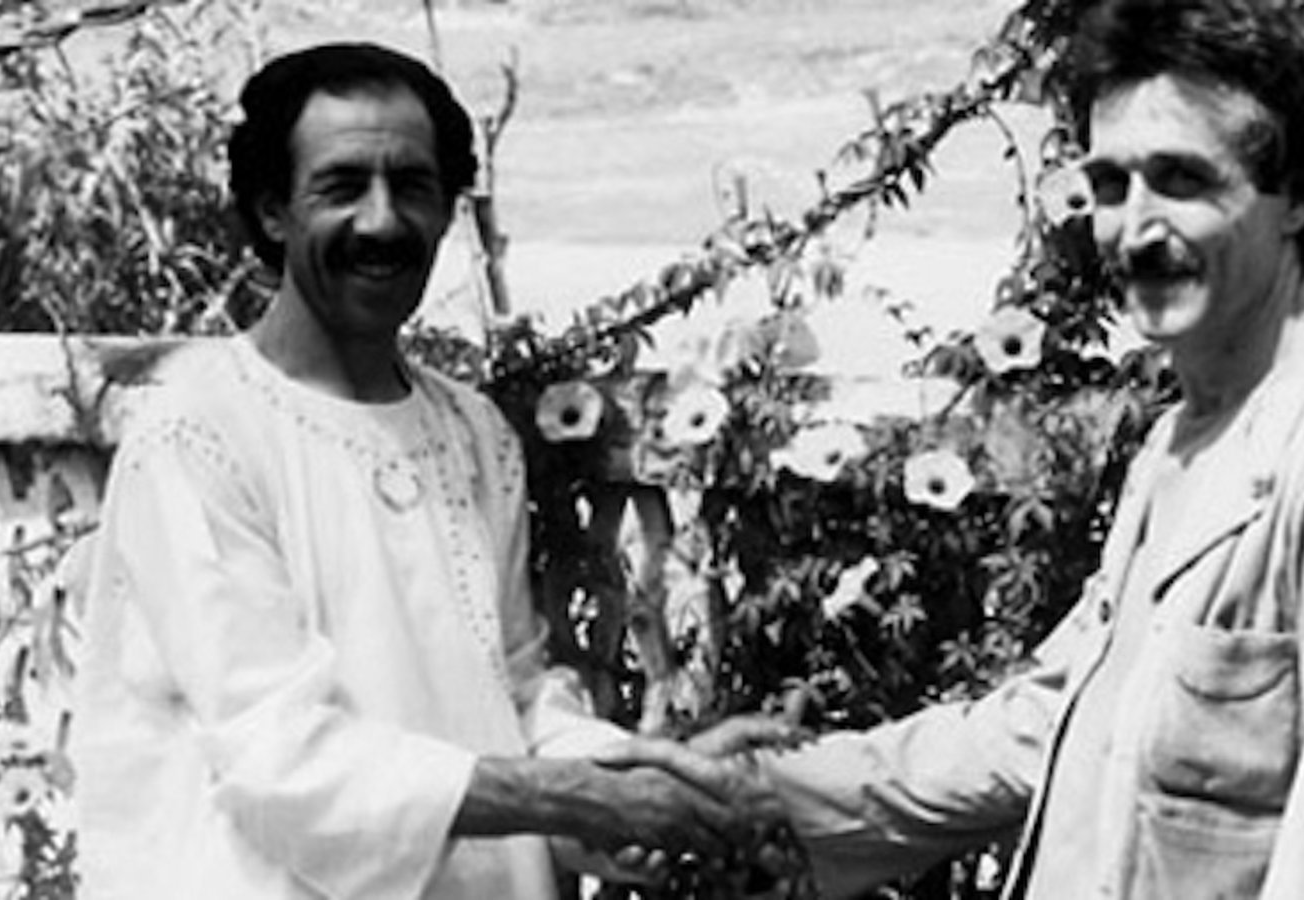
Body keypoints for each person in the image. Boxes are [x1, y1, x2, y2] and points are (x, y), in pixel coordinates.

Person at [725, 0, 1304, 897]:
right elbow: (1054, 725)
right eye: (1112, 186)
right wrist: (757, 797)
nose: (1135, 230)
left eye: (1182, 181)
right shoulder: (1183, 440)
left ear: (1298, 196)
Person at [73, 42, 781, 900]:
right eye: (341, 187)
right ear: (272, 211)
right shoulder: (197, 435)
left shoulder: (471, 432)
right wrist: (579, 799)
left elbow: (515, 692)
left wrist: (643, 776)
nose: (381, 222)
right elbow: (278, 757)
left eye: (411, 186)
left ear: (448, 211)